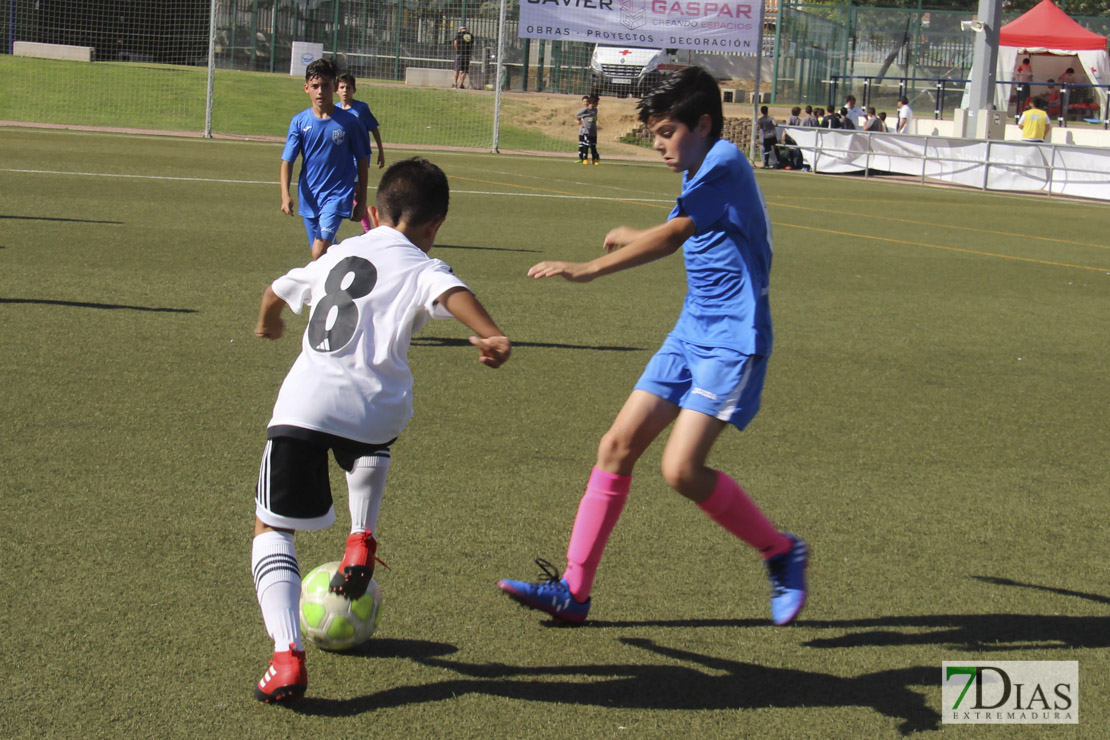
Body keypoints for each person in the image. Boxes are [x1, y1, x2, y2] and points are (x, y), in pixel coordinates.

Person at [496, 66, 808, 629]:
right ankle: (574, 589)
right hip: (689, 333)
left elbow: (675, 235)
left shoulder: (725, 163)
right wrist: (629, 233)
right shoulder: (700, 170)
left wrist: (591, 266)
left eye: (666, 131)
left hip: (732, 342)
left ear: (704, 124)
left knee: (682, 470)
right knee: (615, 446)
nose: (658, 144)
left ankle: (779, 551)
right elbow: (682, 226)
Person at [251, 157, 511, 704]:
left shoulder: (341, 252)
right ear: (436, 224)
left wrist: (268, 319)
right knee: (367, 446)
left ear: (372, 213)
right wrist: (491, 334)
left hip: (310, 404)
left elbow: (277, 288)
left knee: (272, 529)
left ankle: (286, 656)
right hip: (379, 408)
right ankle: (360, 535)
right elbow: (450, 292)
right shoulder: (422, 263)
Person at [280, 58, 369, 261]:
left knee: (318, 250)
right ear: (306, 88)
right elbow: (287, 161)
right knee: (324, 257)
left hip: (337, 196)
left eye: (326, 86)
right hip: (309, 197)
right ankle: (351, 265)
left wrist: (362, 199)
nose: (320, 91)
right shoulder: (299, 122)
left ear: (334, 87)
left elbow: (362, 160)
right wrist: (285, 195)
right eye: (315, 86)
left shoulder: (349, 123)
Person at [336, 73, 386, 233]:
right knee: (348, 191)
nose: (345, 91)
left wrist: (381, 151)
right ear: (336, 90)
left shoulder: (361, 109)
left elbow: (374, 128)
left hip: (360, 157)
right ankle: (369, 223)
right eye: (342, 87)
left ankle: (367, 230)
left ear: (354, 90)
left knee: (356, 192)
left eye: (348, 88)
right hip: (343, 157)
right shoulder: (334, 110)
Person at [576, 94, 600, 165]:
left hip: (593, 131)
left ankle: (594, 159)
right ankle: (585, 159)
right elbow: (577, 115)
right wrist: (581, 123)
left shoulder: (595, 110)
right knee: (586, 145)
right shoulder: (585, 110)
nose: (598, 104)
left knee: (593, 145)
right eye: (597, 102)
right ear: (593, 102)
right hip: (587, 131)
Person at [452, 25, 475, 89]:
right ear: (466, 29)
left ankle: (455, 84)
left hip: (459, 54)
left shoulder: (459, 34)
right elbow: (472, 45)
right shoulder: (471, 35)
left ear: (460, 29)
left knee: (456, 69)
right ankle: (461, 84)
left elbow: (455, 43)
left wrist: (457, 49)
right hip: (467, 54)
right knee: (464, 70)